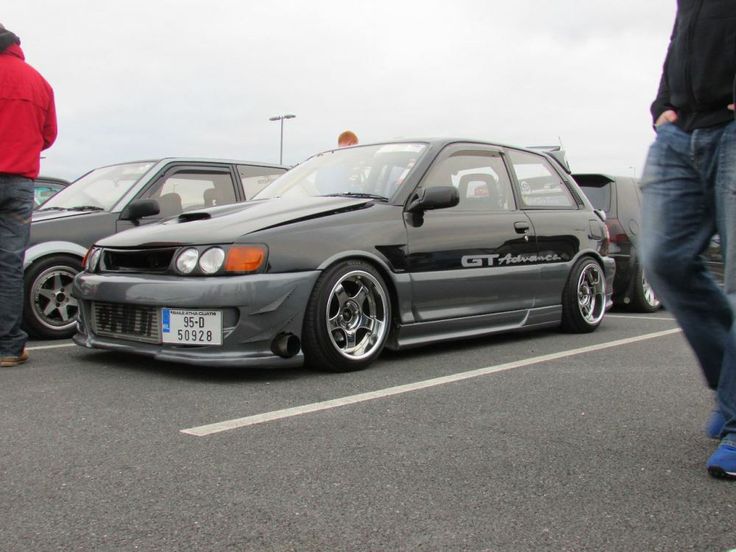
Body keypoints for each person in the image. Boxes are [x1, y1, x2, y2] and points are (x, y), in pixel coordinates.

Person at [639, 0, 736, 479]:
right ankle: (731, 387)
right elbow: (683, 38)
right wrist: (664, 106)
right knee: (664, 259)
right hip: (681, 131)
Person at [0, 23, 57, 367]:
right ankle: (8, 347)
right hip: (20, 182)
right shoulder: (38, 81)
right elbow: (48, 136)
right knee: (8, 265)